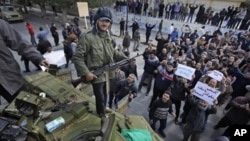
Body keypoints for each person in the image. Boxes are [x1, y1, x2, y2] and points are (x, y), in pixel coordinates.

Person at [73, 7, 127, 117]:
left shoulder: (109, 37)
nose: (105, 23)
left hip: (108, 72)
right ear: (97, 20)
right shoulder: (87, 37)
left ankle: (102, 109)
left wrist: (125, 58)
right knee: (100, 96)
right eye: (102, 20)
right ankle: (101, 115)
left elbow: (113, 52)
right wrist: (86, 73)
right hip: (95, 73)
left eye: (107, 21)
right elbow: (77, 57)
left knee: (106, 94)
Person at [0, 19, 49, 103]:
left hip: (9, 78)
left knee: (29, 104)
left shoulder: (1, 24)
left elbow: (21, 43)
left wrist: (38, 58)